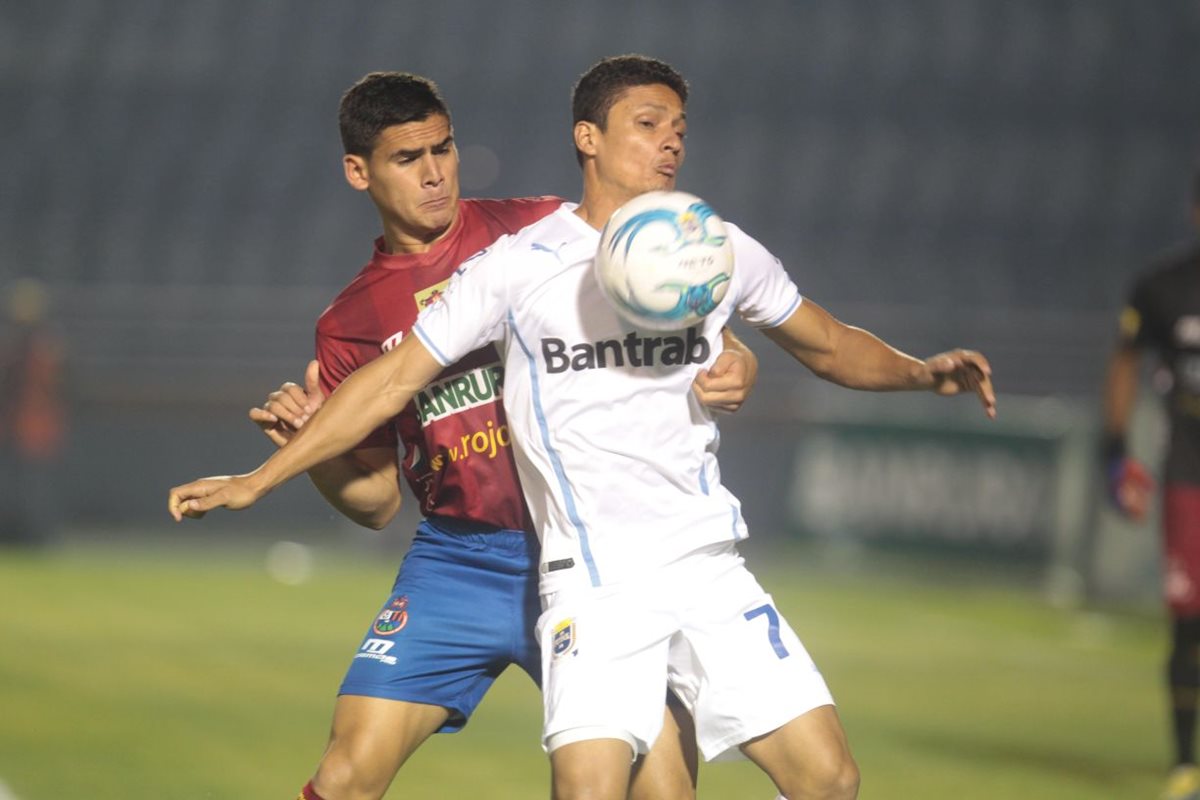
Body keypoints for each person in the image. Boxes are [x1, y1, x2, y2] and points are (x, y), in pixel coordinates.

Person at [169, 55, 996, 800]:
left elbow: (766, 317)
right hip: (512, 563)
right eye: (648, 126)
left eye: (443, 150)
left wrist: (848, 364)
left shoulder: (627, 240)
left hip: (658, 552)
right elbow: (386, 438)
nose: (434, 174)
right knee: (369, 776)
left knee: (759, 785)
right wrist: (272, 473)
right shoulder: (470, 282)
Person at [246, 71, 758, 800]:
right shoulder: (351, 323)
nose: (435, 174)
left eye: (443, 149)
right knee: (344, 776)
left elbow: (694, 309)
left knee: (663, 790)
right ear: (358, 171)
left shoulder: (540, 230)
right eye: (407, 158)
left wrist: (738, 360)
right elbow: (377, 504)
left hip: (591, 553)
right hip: (460, 563)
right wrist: (312, 452)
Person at [1102, 168, 1200, 800]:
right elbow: (1124, 363)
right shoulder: (1164, 287)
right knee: (1189, 621)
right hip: (1189, 476)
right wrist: (1116, 453)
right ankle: (1185, 762)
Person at [0, 278, 67, 547]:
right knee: (17, 485)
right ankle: (17, 532)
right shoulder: (40, 346)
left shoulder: (44, 346)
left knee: (34, 486)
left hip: (34, 428)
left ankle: (34, 534)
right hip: (19, 427)